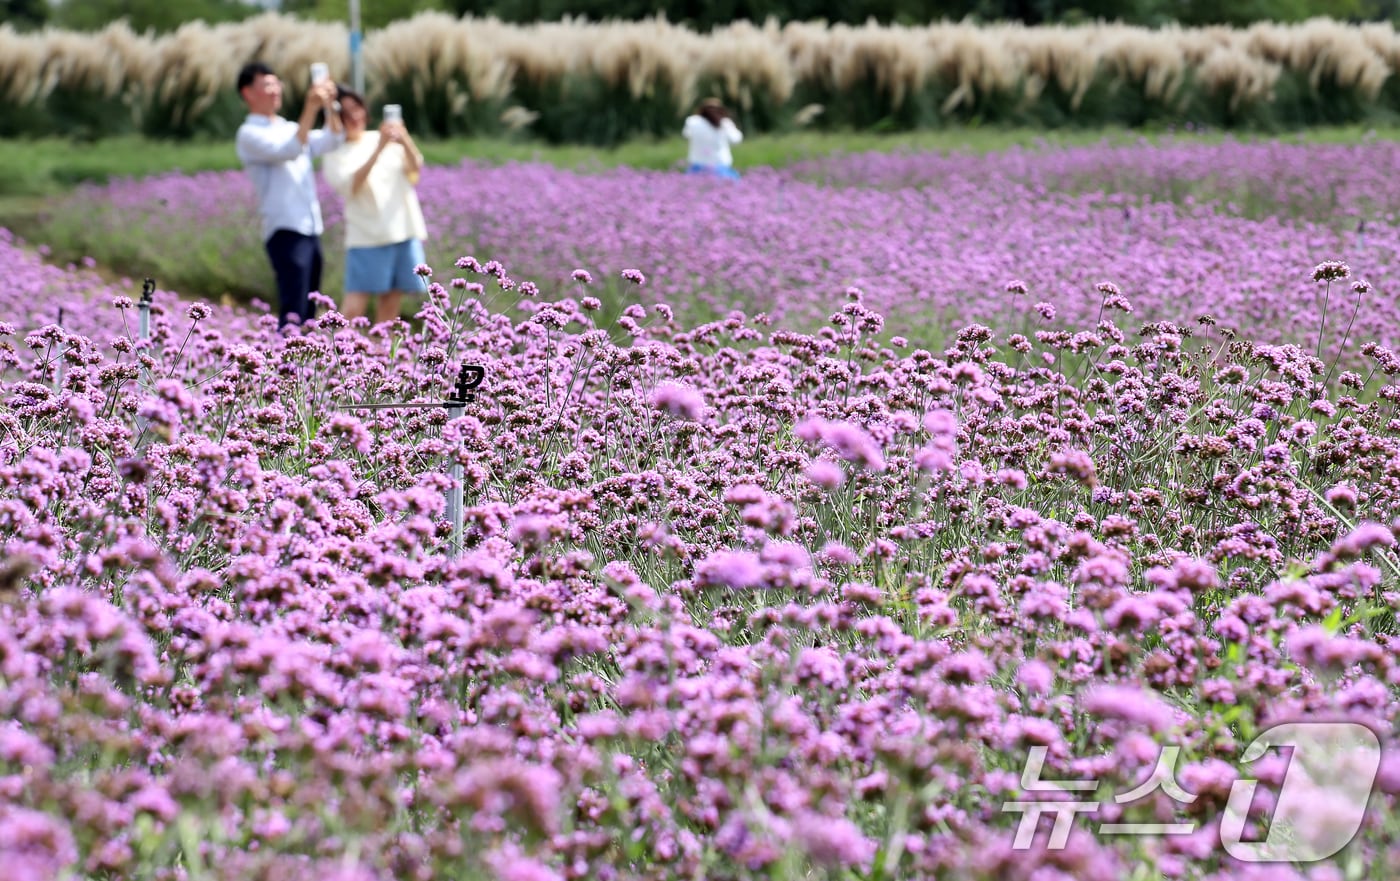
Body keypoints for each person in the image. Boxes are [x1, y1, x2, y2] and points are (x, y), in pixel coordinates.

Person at [235, 61, 344, 330]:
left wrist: (330, 105)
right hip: (284, 228)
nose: (275, 90)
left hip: (310, 226)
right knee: (293, 306)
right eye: (267, 85)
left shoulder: (287, 126)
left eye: (276, 83)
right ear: (248, 93)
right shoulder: (249, 133)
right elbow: (290, 149)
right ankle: (287, 367)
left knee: (309, 307)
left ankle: (304, 367)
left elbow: (333, 140)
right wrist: (310, 107)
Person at [320, 87, 429, 328]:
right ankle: (335, 358)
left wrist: (405, 139)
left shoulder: (382, 137)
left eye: (356, 109)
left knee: (391, 306)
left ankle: (381, 360)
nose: (353, 117)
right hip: (367, 236)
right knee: (353, 307)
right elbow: (351, 185)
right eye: (345, 112)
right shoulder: (335, 153)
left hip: (403, 230)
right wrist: (379, 148)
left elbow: (414, 171)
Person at [682, 98, 743, 180]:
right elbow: (736, 139)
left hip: (697, 165)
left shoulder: (693, 121)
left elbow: (686, 135)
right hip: (720, 167)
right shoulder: (724, 122)